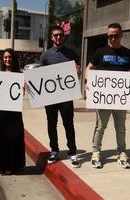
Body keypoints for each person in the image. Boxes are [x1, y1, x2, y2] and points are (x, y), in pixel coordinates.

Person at [85, 23, 130, 169]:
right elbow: (89, 68)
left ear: (121, 34)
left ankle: (121, 153)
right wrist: (87, 81)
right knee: (100, 127)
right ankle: (96, 153)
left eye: (116, 35)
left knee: (121, 128)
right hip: (104, 98)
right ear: (108, 36)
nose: (113, 38)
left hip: (121, 99)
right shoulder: (100, 52)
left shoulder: (129, 53)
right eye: (110, 36)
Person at [39, 25, 81, 168]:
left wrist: (78, 72)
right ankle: (54, 150)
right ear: (52, 37)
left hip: (66, 97)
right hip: (50, 98)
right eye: (56, 35)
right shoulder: (45, 55)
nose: (58, 37)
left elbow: (76, 75)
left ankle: (73, 151)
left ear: (64, 36)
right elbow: (40, 77)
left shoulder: (72, 54)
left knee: (68, 125)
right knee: (52, 124)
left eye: (61, 35)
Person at [0, 48, 25, 175]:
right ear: (3, 59)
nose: (8, 59)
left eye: (10, 57)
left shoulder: (19, 74)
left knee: (11, 138)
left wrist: (24, 88)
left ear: (13, 59)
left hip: (12, 112)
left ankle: (9, 165)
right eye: (5, 57)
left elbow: (20, 93)